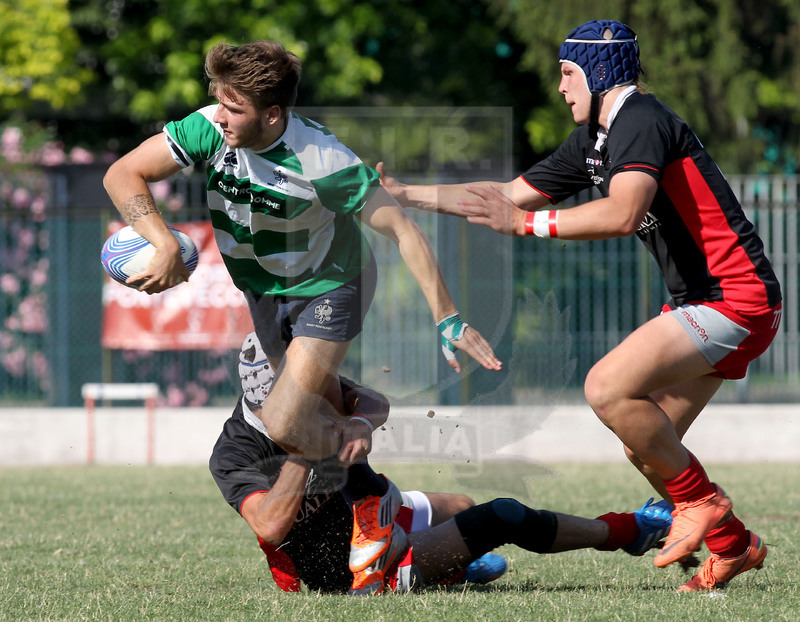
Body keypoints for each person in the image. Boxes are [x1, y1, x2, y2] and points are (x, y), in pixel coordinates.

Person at [377, 19, 781, 593]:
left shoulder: (639, 119)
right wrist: (405, 195)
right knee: (646, 443)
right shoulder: (597, 139)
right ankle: (734, 544)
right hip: (710, 302)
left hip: (735, 298)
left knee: (606, 388)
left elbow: (621, 213)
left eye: (568, 73)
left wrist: (526, 225)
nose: (561, 87)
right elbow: (507, 196)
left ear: (598, 72)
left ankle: (703, 503)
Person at [103, 40, 501, 594]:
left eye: (234, 107)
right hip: (265, 293)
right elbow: (122, 174)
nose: (220, 115)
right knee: (318, 413)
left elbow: (403, 231)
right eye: (219, 101)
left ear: (272, 114)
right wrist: (162, 242)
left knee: (287, 423)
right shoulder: (209, 128)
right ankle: (383, 477)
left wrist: (448, 318)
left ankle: (372, 495)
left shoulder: (323, 160)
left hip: (332, 285)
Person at [209, 333, 674, 595]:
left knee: (460, 503)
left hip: (372, 511)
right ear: (274, 407)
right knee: (501, 515)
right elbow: (270, 525)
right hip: (349, 569)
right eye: (310, 403)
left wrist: (362, 424)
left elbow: (372, 400)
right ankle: (627, 531)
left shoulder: (307, 389)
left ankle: (451, 569)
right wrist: (305, 450)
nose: (327, 403)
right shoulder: (234, 454)